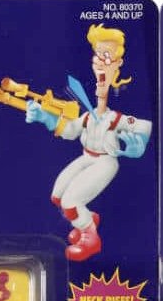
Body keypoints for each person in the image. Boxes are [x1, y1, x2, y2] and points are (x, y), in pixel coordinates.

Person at [26, 24, 152, 261]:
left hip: (105, 162)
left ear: (117, 64)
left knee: (70, 202)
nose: (100, 62)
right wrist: (45, 118)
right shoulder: (88, 115)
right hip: (87, 157)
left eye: (107, 56)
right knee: (57, 196)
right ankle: (87, 219)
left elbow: (144, 126)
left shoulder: (116, 118)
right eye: (98, 55)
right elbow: (70, 131)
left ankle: (90, 237)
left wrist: (137, 146)